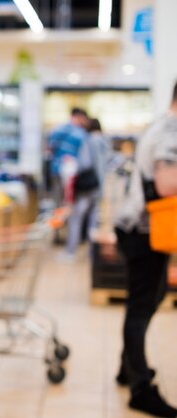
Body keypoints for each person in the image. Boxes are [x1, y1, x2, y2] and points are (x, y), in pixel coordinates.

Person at [114, 81, 177, 418]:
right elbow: (168, 183)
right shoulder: (172, 130)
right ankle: (140, 389)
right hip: (145, 231)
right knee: (142, 305)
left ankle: (128, 368)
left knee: (146, 300)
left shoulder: (161, 124)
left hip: (141, 228)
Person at [64, 117, 109, 258]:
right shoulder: (106, 142)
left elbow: (85, 163)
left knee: (76, 218)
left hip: (87, 186)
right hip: (101, 186)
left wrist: (72, 164)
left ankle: (71, 252)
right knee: (94, 220)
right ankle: (92, 254)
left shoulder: (88, 141)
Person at [47, 107, 89, 206]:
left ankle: (57, 220)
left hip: (56, 168)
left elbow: (50, 147)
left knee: (58, 201)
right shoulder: (81, 133)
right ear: (79, 117)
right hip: (72, 173)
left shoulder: (58, 129)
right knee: (69, 203)